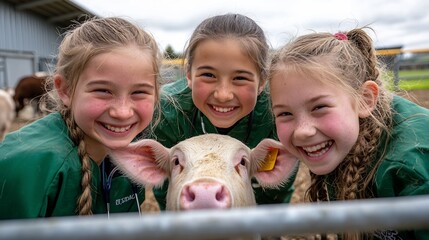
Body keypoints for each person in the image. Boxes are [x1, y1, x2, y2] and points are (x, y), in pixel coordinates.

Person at [269, 27, 429, 239]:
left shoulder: (412, 169)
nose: (302, 132)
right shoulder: (346, 137)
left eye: (319, 107)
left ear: (365, 99)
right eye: (285, 113)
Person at [0, 16, 162, 219]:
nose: (122, 112)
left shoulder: (132, 155)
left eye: (139, 92)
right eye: (103, 91)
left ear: (157, 93)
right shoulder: (27, 169)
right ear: (65, 90)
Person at [144, 13, 297, 210]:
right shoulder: (168, 110)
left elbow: (276, 192)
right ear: (189, 75)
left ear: (262, 83)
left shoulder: (277, 113)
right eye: (208, 75)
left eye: (240, 78)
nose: (223, 95)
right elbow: (166, 188)